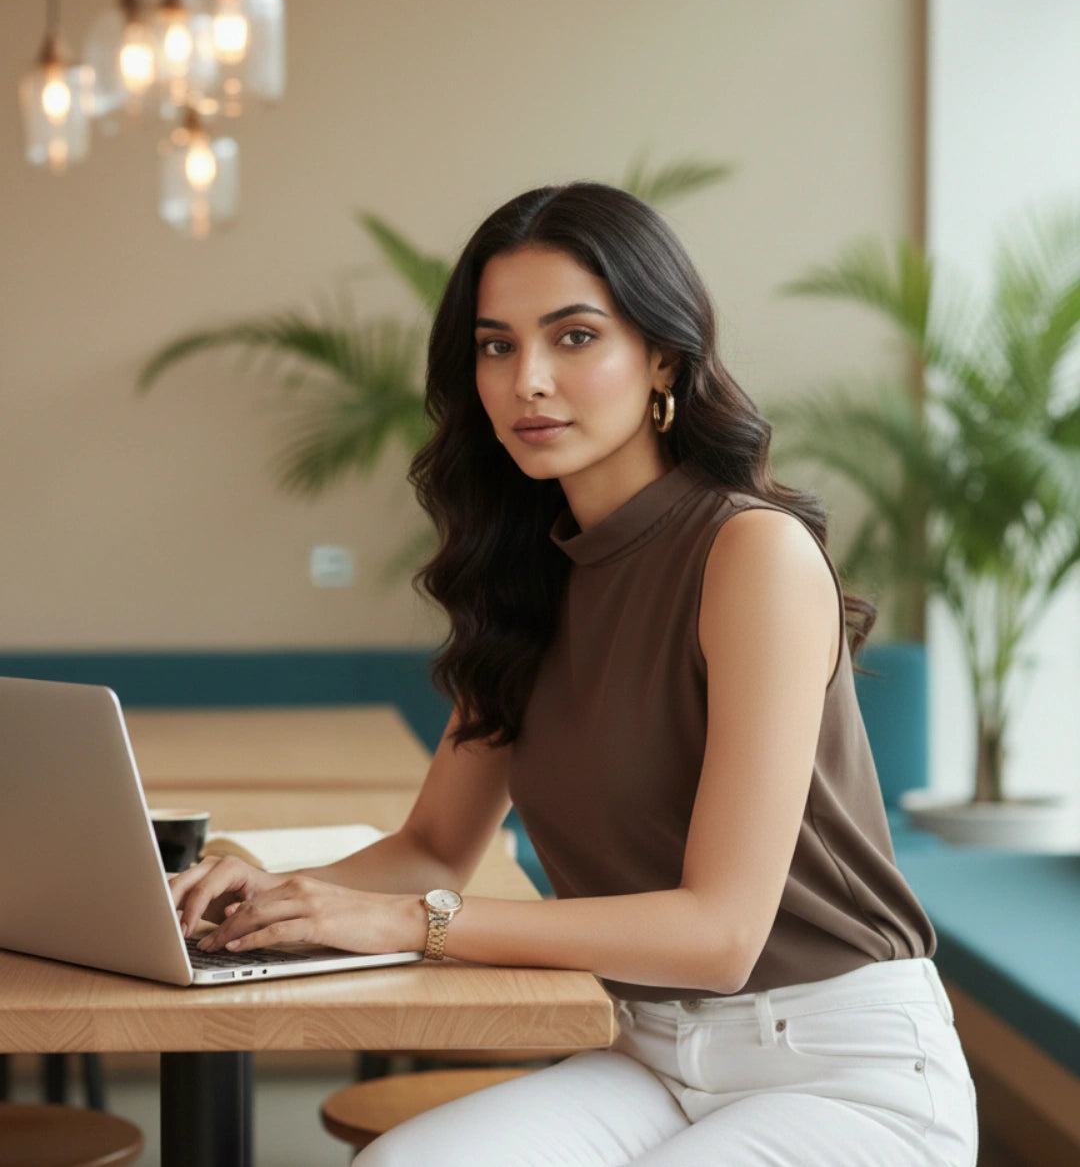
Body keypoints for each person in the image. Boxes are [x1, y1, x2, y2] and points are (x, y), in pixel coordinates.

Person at [170, 183, 977, 1165]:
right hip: (646, 1055)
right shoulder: (525, 578)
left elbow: (721, 935)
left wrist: (406, 924)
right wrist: (269, 894)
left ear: (663, 358)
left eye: (576, 337)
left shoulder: (750, 553)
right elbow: (433, 847)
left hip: (841, 1066)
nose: (529, 381)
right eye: (496, 346)